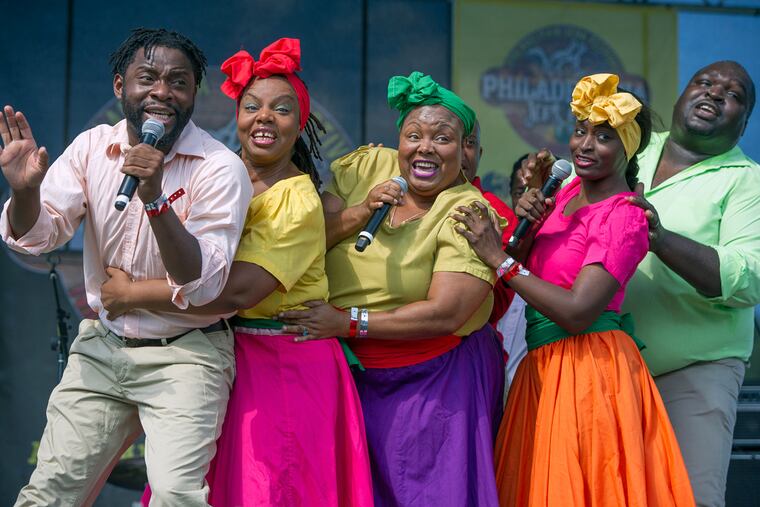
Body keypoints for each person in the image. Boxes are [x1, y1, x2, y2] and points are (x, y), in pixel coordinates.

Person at [99, 38, 373, 507]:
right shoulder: (220, 176)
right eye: (252, 106)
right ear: (237, 115)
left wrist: (131, 294)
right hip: (226, 352)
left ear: (300, 124)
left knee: (272, 490)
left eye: (282, 109)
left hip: (284, 364)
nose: (264, 117)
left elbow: (238, 291)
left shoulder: (296, 199)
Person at [0, 28, 252, 505]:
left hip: (188, 352)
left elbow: (203, 283)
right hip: (106, 345)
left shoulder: (219, 167)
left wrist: (155, 198)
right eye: (148, 78)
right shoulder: (93, 147)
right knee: (50, 492)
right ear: (120, 87)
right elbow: (36, 236)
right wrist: (24, 191)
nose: (162, 91)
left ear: (194, 93)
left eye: (178, 81)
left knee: (177, 494)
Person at [520, 61, 760, 507]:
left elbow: (749, 278)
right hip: (597, 368)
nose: (713, 94)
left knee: (687, 496)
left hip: (691, 372)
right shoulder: (629, 141)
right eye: (704, 83)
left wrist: (660, 239)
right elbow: (569, 220)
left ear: (744, 123)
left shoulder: (749, 182)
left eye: (733, 94)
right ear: (680, 96)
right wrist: (536, 199)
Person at [454, 73, 694, 506]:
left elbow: (579, 310)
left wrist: (499, 259)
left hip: (589, 373)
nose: (585, 145)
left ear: (629, 148)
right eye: (580, 130)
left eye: (604, 136)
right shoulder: (561, 196)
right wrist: (526, 212)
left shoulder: (624, 215)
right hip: (541, 369)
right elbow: (524, 268)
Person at [279, 71, 505, 506]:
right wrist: (362, 212)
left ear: (464, 152)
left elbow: (446, 313)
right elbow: (304, 242)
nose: (425, 147)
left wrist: (347, 322)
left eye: (443, 139)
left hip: (428, 385)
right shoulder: (368, 169)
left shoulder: (467, 213)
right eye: (414, 135)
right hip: (343, 380)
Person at [462, 120, 518, 325]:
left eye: (469, 144)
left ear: (480, 153)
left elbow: (498, 306)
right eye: (448, 140)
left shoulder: (498, 213)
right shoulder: (402, 199)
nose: (460, 153)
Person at [496, 154, 530, 388]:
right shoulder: (493, 255)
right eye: (521, 192)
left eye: (542, 189)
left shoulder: (564, 269)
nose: (531, 199)